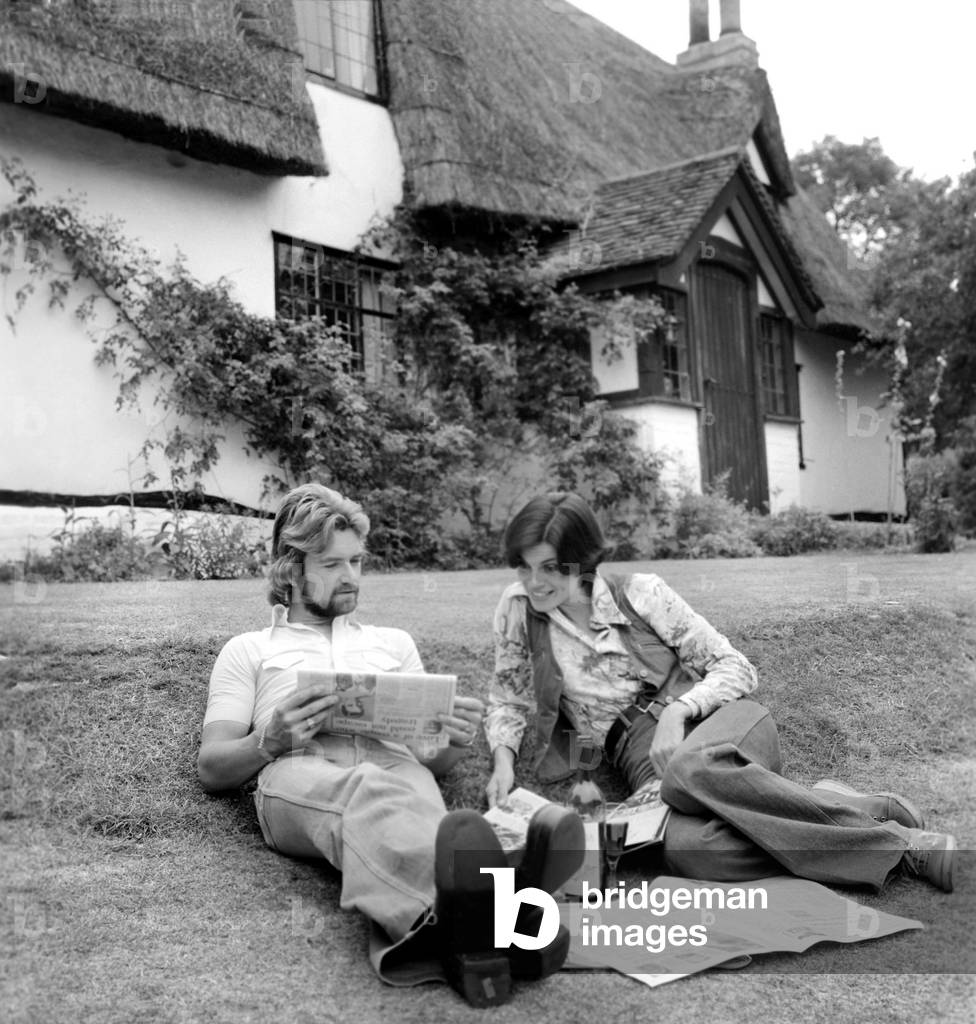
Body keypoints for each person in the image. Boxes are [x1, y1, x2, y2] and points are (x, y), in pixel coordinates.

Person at [197, 483, 582, 1009]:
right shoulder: (248, 651)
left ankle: (470, 938)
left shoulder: (393, 643)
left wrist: (451, 739)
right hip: (299, 768)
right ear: (291, 568)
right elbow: (213, 768)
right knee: (367, 790)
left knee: (415, 798)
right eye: (332, 564)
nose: (351, 576)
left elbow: (434, 762)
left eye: (357, 561)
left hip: (399, 765)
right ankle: (511, 908)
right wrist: (269, 740)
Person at [485, 491, 957, 894]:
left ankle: (899, 848)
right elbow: (506, 696)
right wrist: (503, 764)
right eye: (524, 568)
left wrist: (677, 711)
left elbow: (737, 668)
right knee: (693, 852)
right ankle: (851, 808)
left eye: (548, 567)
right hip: (641, 759)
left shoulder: (641, 594)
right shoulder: (518, 608)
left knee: (691, 766)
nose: (533, 582)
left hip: (722, 728)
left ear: (582, 558)